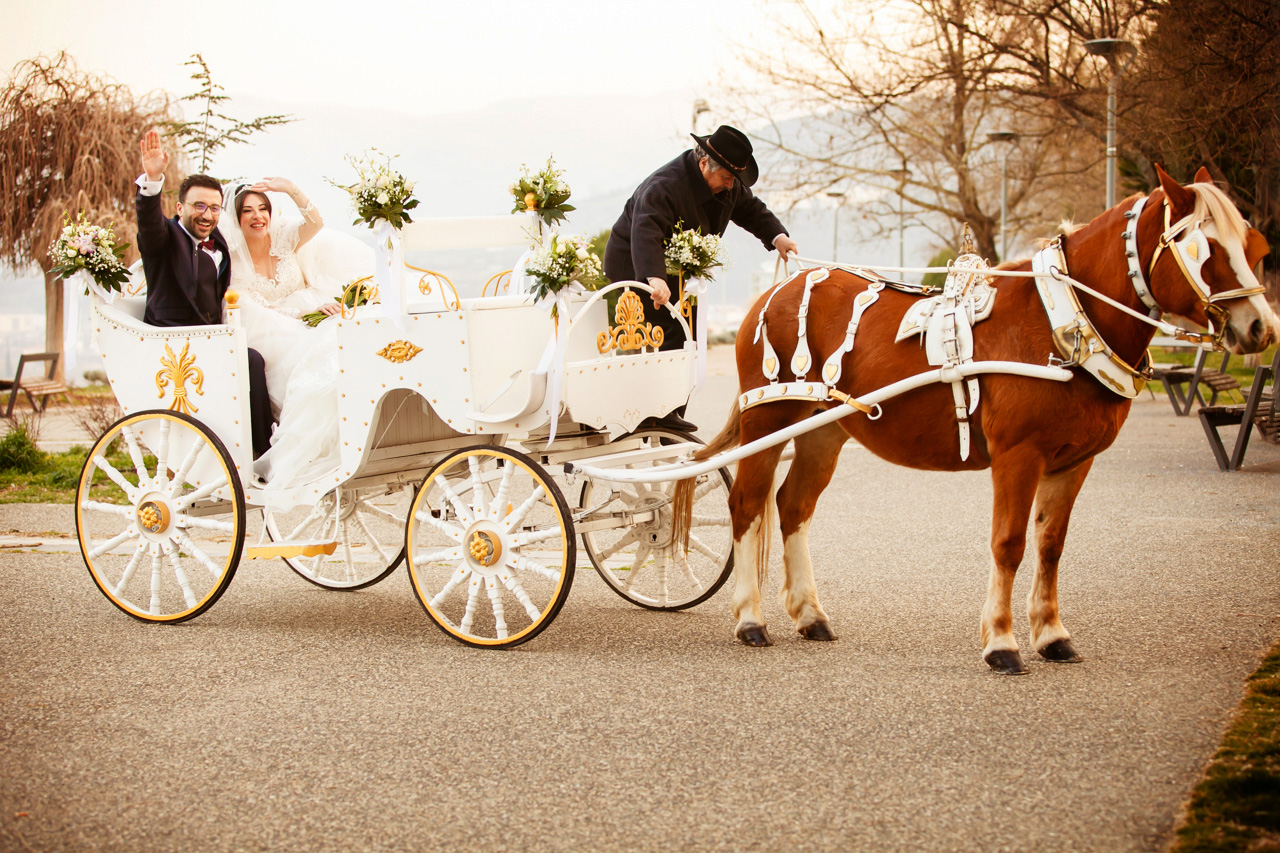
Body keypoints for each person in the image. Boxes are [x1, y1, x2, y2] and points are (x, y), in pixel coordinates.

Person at [603, 124, 799, 431]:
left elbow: (750, 209)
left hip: (678, 269)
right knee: (669, 329)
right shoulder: (665, 186)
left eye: (734, 179)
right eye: (726, 178)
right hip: (635, 262)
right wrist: (653, 278)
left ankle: (670, 414)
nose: (730, 185)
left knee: (689, 332)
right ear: (704, 163)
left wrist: (777, 237)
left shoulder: (726, 183)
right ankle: (658, 416)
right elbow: (646, 231)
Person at [218, 179, 374, 489]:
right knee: (315, 368)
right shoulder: (231, 262)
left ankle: (365, 427)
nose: (257, 216)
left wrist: (290, 189)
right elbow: (249, 309)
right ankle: (324, 445)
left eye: (263, 208)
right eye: (247, 211)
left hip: (312, 311)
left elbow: (316, 221)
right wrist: (300, 315)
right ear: (236, 218)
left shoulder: (284, 238)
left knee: (351, 339)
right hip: (272, 328)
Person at [135, 128, 273, 458]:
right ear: (180, 207)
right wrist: (153, 182)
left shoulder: (219, 243)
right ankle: (259, 452)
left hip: (211, 337)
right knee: (250, 360)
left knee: (257, 355)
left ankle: (259, 448)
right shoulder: (164, 238)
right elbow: (149, 224)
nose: (207, 214)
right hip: (174, 343)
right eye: (199, 206)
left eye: (214, 208)